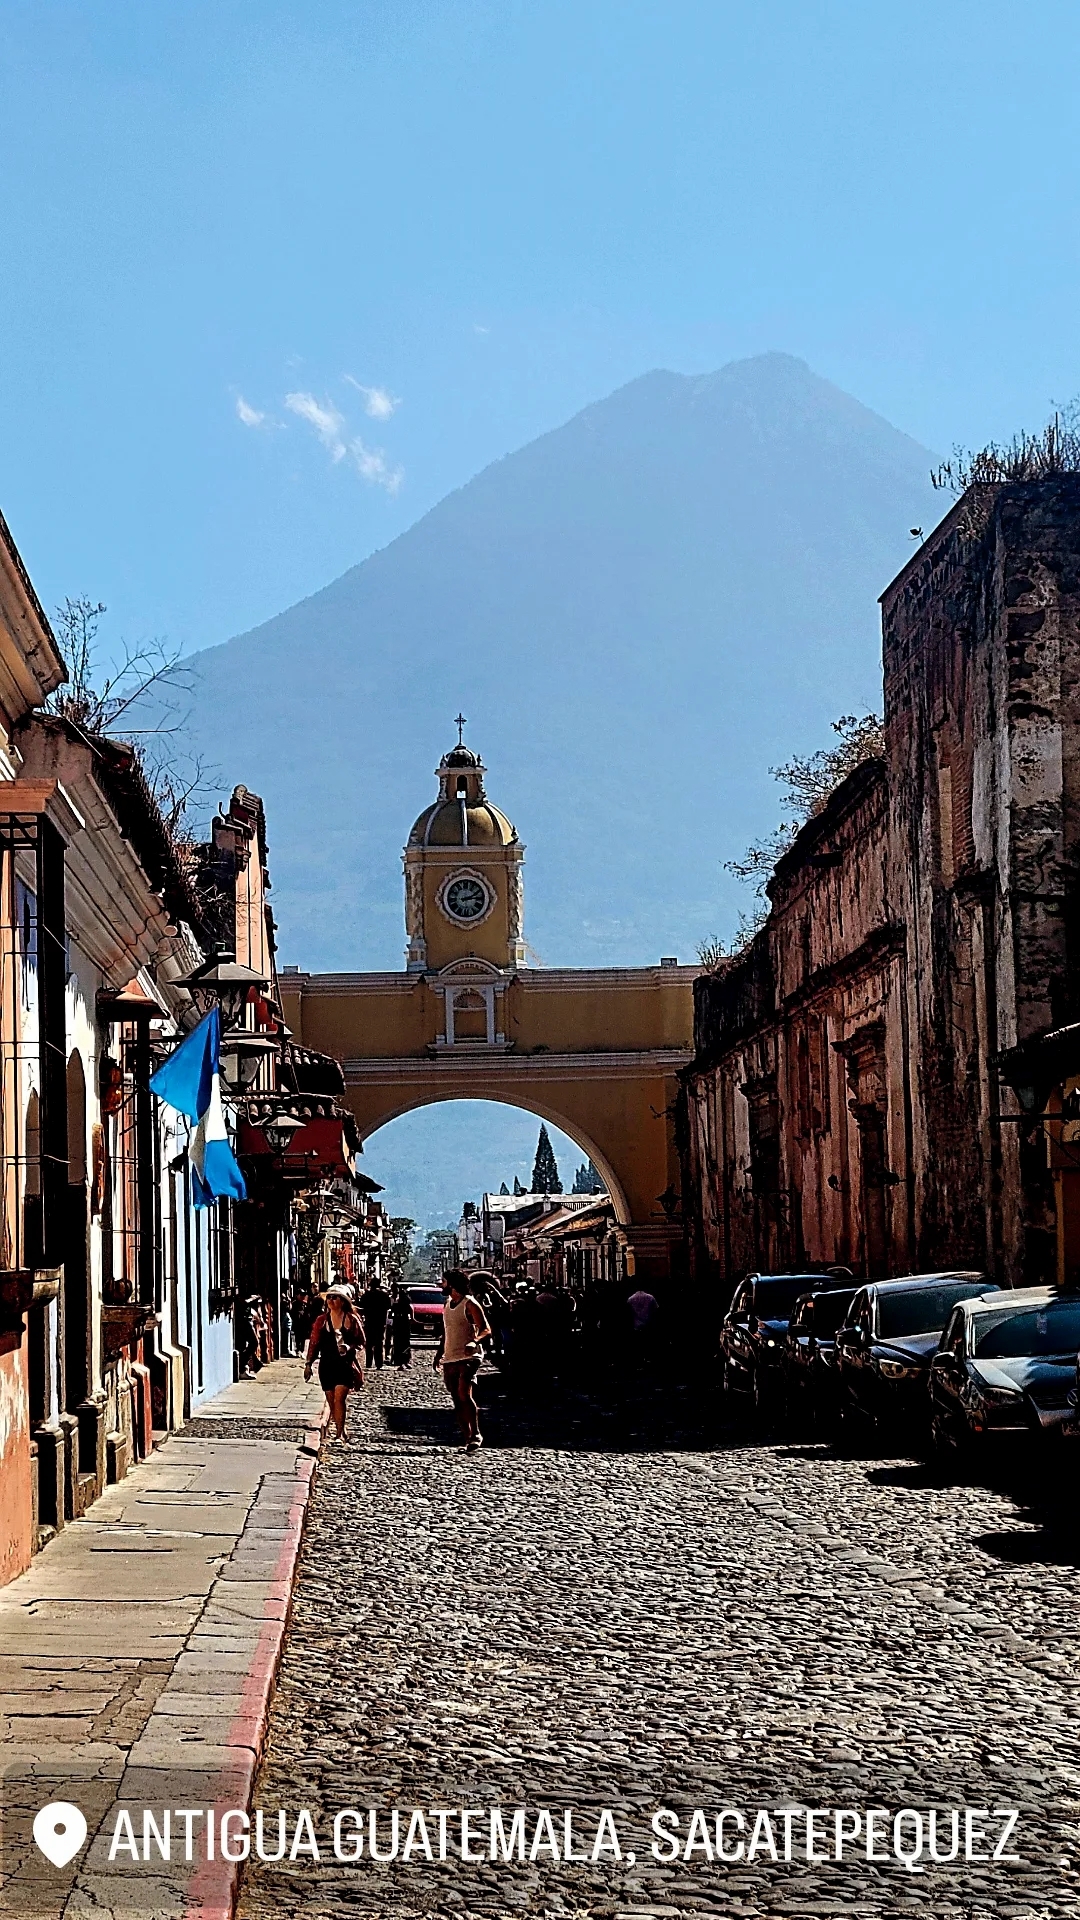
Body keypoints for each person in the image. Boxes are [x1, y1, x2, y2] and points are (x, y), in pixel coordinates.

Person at [433, 1268, 491, 1454]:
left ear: (452, 1284)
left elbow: (486, 1329)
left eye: (443, 1282)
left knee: (464, 1393)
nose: (441, 1285)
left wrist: (474, 1341)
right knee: (456, 1398)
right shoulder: (447, 1304)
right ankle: (467, 1437)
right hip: (450, 1356)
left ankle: (476, 1434)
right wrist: (439, 1354)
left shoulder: (470, 1303)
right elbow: (447, 1332)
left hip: (469, 1357)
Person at [303, 1284, 364, 1438]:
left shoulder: (351, 1319)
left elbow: (361, 1341)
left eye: (334, 1297)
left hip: (345, 1365)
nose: (330, 1300)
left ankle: (338, 1434)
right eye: (329, 1297)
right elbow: (314, 1343)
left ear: (342, 1301)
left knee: (339, 1399)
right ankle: (340, 1428)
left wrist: (349, 1347)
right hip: (327, 1365)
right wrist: (308, 1364)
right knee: (331, 1401)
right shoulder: (321, 1321)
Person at [361, 1276, 392, 1369]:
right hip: (380, 1322)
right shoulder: (384, 1295)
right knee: (379, 1343)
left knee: (369, 1343)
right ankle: (379, 1363)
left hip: (369, 1321)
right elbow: (388, 1307)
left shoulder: (366, 1295)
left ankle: (369, 1363)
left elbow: (361, 1306)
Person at [389, 1281, 413, 1369]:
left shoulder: (400, 1301)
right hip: (401, 1322)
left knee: (401, 1342)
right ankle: (401, 1360)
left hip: (401, 1322)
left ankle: (402, 1360)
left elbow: (410, 1309)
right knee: (401, 1342)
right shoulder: (398, 1300)